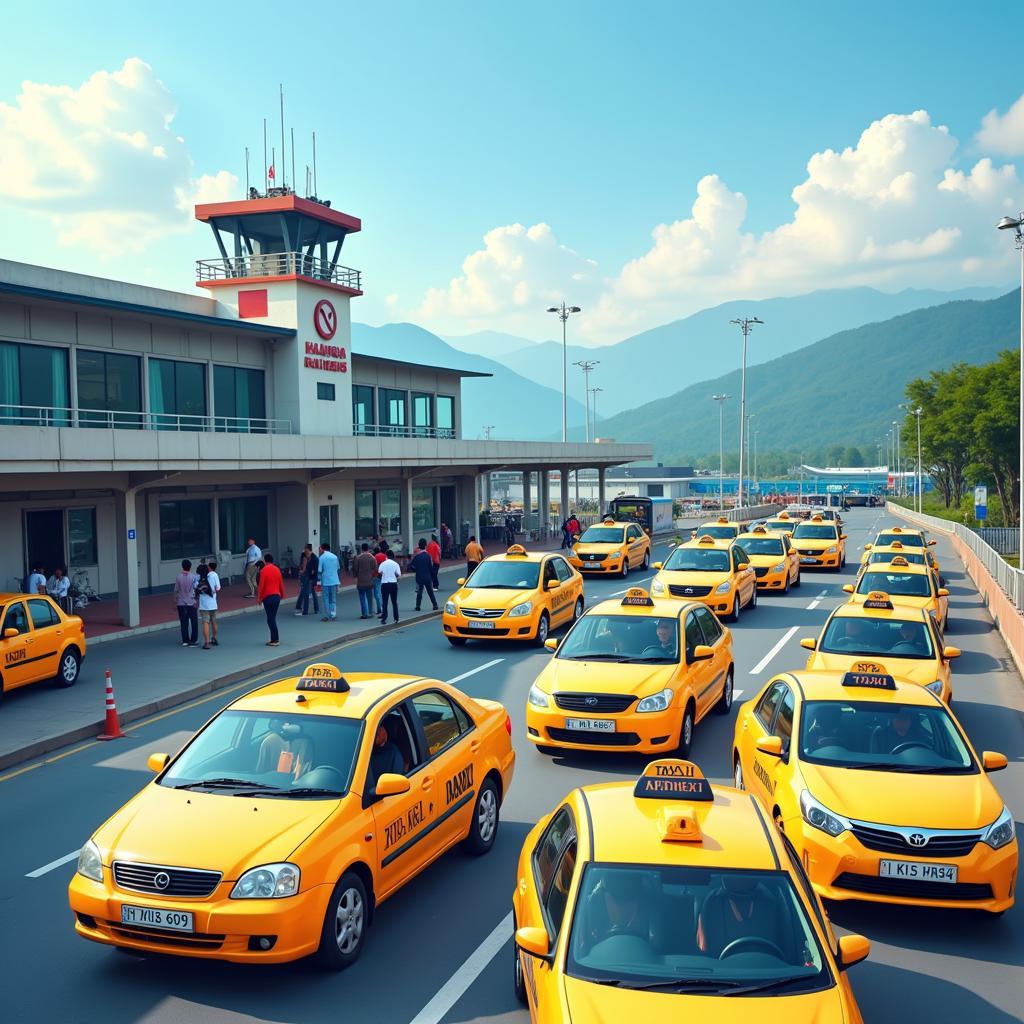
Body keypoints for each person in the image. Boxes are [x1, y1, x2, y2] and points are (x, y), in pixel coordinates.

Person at [258, 552, 285, 647]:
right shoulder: (277, 569)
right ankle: (274, 638)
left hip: (267, 597)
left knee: (270, 619)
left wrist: (259, 598)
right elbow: (280, 582)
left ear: (265, 560)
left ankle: (275, 639)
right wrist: (282, 594)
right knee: (272, 618)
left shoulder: (263, 570)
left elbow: (261, 585)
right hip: (276, 596)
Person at [368, 723, 404, 788]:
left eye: (379, 730)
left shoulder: (393, 753)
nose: (376, 733)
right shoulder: (361, 749)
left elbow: (396, 783)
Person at [173, 559, 198, 647]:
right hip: (191, 602)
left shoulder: (178, 577)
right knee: (194, 622)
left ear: (182, 566)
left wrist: (175, 601)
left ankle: (185, 640)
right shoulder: (193, 577)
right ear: (190, 567)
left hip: (181, 602)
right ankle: (193, 640)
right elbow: (196, 588)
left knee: (184, 622)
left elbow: (176, 590)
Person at [195, 563, 221, 649]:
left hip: (203, 604)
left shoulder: (198, 578)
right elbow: (218, 588)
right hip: (213, 603)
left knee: (205, 622)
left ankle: (206, 642)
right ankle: (214, 638)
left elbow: (195, 588)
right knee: (214, 621)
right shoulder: (213, 575)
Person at [409, 539, 439, 611]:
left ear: (419, 547)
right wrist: (432, 576)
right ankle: (434, 605)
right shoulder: (428, 557)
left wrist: (416, 570)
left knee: (419, 591)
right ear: (425, 546)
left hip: (419, 577)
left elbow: (411, 566)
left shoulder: (417, 557)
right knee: (430, 591)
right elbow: (431, 567)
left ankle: (418, 606)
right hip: (427, 577)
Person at [354, 543, 378, 619]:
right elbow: (375, 568)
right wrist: (372, 575)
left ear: (361, 549)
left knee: (362, 597)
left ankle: (364, 613)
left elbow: (355, 569)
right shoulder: (372, 557)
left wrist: (356, 575)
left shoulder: (358, 558)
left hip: (361, 581)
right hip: (369, 580)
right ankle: (371, 612)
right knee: (370, 597)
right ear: (368, 548)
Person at [318, 542, 341, 622]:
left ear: (323, 548)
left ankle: (326, 615)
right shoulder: (335, 557)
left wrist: (318, 582)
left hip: (326, 581)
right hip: (334, 580)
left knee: (326, 599)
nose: (319, 549)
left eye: (320, 548)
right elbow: (338, 568)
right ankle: (333, 614)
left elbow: (320, 570)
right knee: (333, 599)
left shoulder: (322, 557)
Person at [378, 548, 402, 624]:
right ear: (393, 556)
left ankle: (384, 618)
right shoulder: (395, 564)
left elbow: (380, 572)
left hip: (384, 583)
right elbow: (398, 575)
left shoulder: (383, 564)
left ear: (386, 556)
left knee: (385, 601)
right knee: (394, 602)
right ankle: (396, 618)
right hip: (393, 583)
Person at [295, 543, 320, 617]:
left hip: (311, 577)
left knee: (307, 593)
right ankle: (301, 608)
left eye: (307, 552)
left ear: (310, 551)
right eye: (305, 551)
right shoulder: (303, 555)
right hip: (304, 576)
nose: (306, 553)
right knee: (304, 592)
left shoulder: (315, 559)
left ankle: (305, 610)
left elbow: (315, 571)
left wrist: (314, 582)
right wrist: (301, 570)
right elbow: (301, 565)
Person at [373, 543, 387, 616]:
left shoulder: (375, 557)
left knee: (376, 592)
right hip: (384, 575)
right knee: (381, 591)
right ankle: (382, 607)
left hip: (377, 575)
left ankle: (379, 608)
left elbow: (375, 567)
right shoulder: (384, 556)